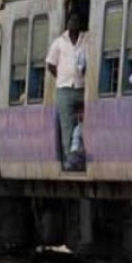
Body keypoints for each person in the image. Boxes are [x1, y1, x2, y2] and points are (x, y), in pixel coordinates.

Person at [46, 12, 88, 171]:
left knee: (85, 122)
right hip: (64, 88)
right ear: (67, 23)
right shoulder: (59, 43)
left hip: (82, 86)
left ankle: (81, 155)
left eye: (77, 20)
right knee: (67, 125)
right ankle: (69, 159)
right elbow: (50, 64)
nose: (74, 23)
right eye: (71, 20)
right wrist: (61, 76)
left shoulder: (86, 40)